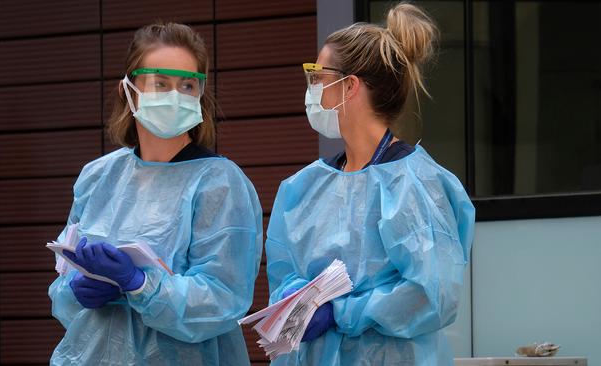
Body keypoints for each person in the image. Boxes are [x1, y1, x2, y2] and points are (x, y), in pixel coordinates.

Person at [265, 3, 475, 365]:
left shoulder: (414, 184)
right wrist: (293, 299)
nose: (312, 88)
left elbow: (432, 295)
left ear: (350, 86)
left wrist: (341, 312)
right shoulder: (303, 188)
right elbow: (283, 276)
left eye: (318, 75)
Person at [48, 22, 262, 365]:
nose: (174, 96)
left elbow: (223, 299)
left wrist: (138, 284)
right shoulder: (98, 176)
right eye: (160, 83)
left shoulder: (219, 183)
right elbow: (63, 282)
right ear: (128, 90)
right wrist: (74, 291)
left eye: (187, 85)